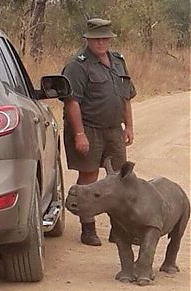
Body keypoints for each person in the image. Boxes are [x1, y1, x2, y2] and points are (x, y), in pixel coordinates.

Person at [60, 18, 136, 246]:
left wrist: (129, 126)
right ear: (88, 39)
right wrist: (79, 134)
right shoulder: (77, 65)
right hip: (89, 128)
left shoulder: (118, 61)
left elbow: (125, 96)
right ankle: (88, 228)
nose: (101, 42)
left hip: (113, 129)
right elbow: (71, 102)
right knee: (89, 176)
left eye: (105, 38)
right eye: (96, 39)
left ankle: (119, 228)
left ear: (110, 39)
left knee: (120, 177)